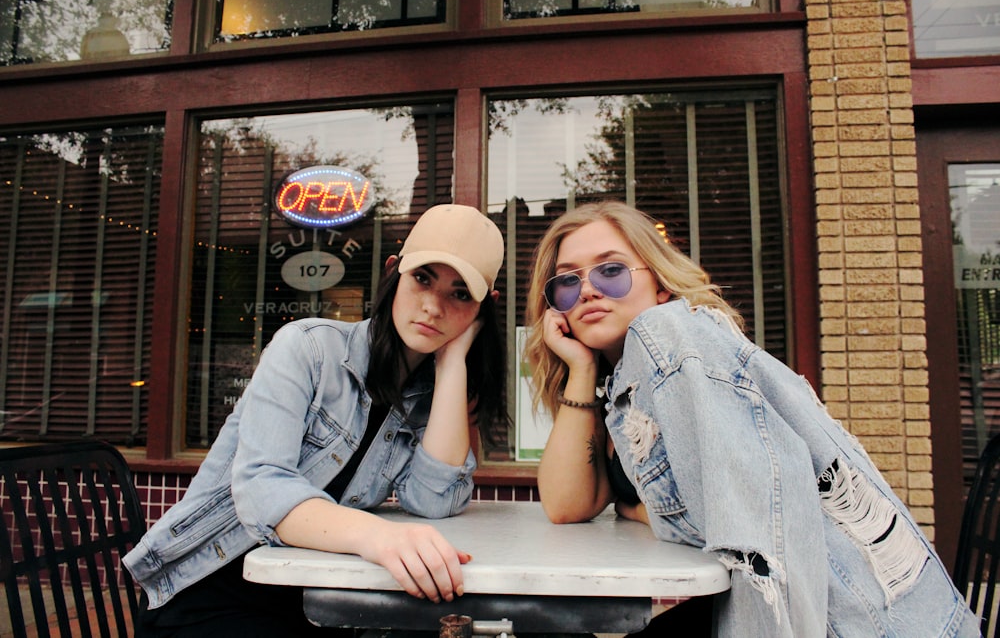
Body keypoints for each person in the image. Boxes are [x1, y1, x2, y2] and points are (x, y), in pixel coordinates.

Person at [524, 201, 979, 637]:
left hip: (850, 620)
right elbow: (568, 507)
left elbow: (748, 525)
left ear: (660, 284)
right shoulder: (623, 386)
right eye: (567, 282)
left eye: (611, 270)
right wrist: (581, 371)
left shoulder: (672, 338)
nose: (587, 289)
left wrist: (635, 508)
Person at [126, 204, 507, 637]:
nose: (433, 307)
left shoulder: (429, 397)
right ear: (393, 272)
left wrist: (453, 363)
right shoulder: (308, 349)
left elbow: (433, 501)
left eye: (460, 294)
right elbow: (263, 487)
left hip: (313, 600)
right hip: (207, 594)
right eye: (423, 278)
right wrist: (380, 537)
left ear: (483, 308)